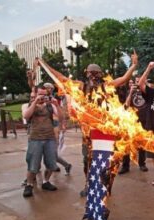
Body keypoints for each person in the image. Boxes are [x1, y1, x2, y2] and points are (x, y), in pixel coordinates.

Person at [35, 51, 138, 196]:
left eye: (96, 73)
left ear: (100, 74)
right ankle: (88, 185)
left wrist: (133, 65)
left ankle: (104, 186)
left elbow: (123, 79)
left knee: (105, 162)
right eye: (90, 72)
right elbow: (62, 78)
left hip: (104, 132)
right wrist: (45, 65)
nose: (93, 75)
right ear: (86, 73)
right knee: (87, 161)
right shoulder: (81, 87)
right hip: (88, 133)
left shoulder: (106, 86)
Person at [22, 85, 64, 197]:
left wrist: (56, 105)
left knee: (51, 163)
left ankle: (46, 181)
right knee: (33, 164)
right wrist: (35, 102)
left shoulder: (50, 105)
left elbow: (61, 117)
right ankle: (29, 184)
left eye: (45, 94)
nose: (43, 96)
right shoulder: (27, 105)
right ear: (35, 94)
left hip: (50, 138)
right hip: (35, 138)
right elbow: (26, 116)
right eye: (40, 94)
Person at [119, 63, 154, 174]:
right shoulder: (131, 91)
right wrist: (130, 92)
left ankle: (142, 164)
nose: (138, 83)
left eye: (140, 81)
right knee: (127, 143)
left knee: (141, 144)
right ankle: (125, 166)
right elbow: (126, 104)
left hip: (143, 120)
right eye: (136, 81)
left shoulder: (147, 92)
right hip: (132, 121)